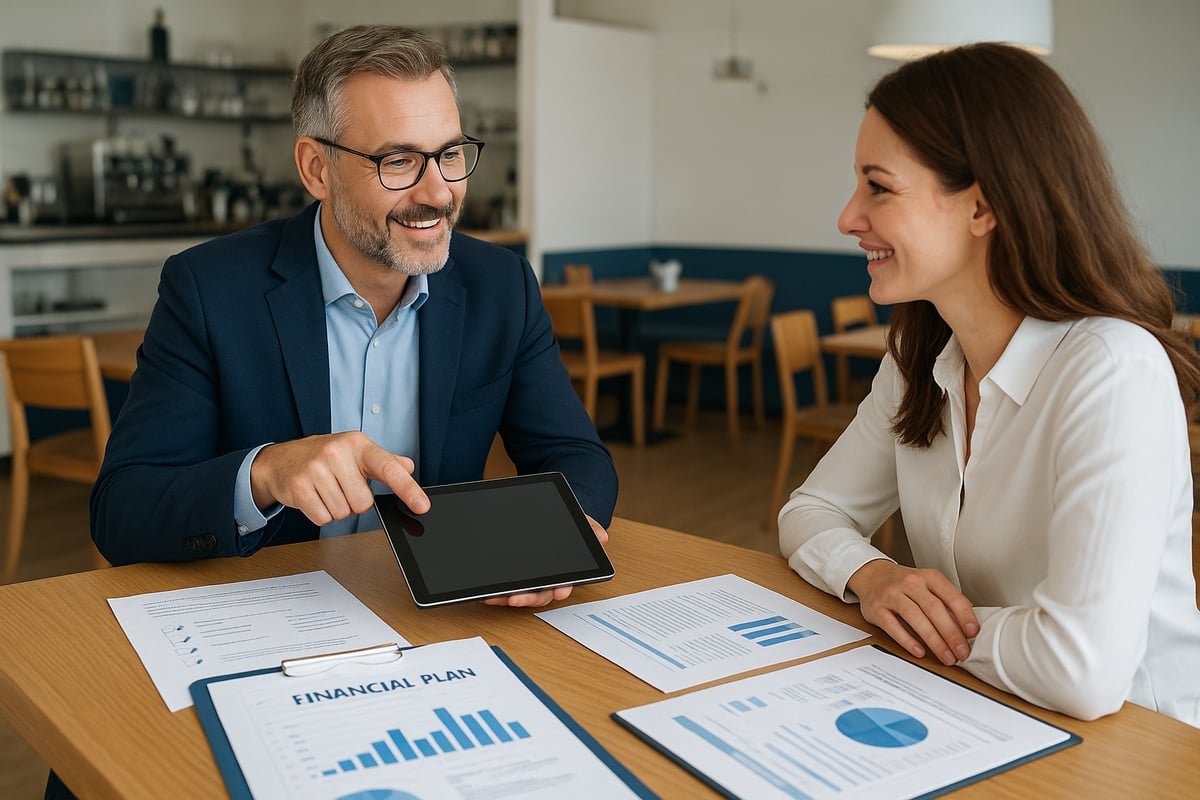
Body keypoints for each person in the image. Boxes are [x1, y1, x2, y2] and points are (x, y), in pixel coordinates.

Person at [90, 25, 617, 610]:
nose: (439, 193)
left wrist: (557, 535)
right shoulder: (208, 289)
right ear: (317, 169)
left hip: (438, 617)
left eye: (448, 155)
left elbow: (575, 455)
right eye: (399, 160)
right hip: (268, 614)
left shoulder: (502, 285)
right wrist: (265, 473)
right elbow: (123, 509)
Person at [779, 43, 1200, 727]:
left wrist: (925, 629)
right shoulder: (918, 356)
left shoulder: (1111, 371)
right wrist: (874, 576)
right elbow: (810, 512)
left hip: (1139, 745)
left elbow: (1082, 671)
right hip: (986, 713)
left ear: (982, 206)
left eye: (878, 187)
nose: (848, 217)